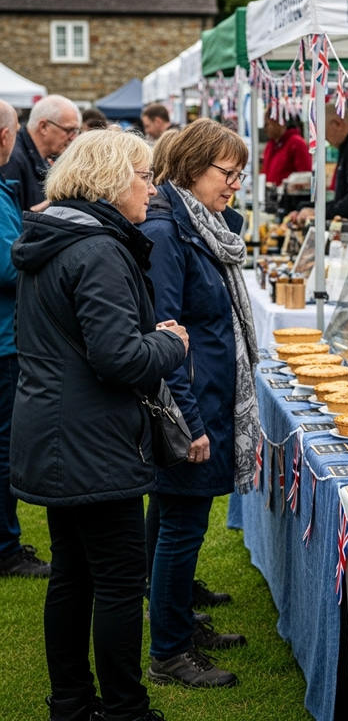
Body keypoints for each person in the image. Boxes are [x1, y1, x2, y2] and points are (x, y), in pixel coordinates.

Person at [10, 129, 189, 721]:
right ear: (113, 179)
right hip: (91, 439)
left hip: (54, 429)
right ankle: (124, 709)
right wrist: (168, 343)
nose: (152, 187)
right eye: (144, 176)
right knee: (114, 578)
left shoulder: (57, 236)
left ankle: (71, 703)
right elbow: (120, 358)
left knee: (73, 573)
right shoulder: (99, 249)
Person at [140, 118, 261, 689]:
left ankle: (176, 621)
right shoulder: (170, 230)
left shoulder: (196, 222)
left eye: (239, 174)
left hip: (205, 391)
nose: (234, 184)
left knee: (171, 517)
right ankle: (170, 652)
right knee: (180, 524)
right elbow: (165, 330)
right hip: (189, 400)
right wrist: (188, 418)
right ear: (191, 165)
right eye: (226, 173)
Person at [0, 99, 50, 579]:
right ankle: (6, 548)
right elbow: (7, 264)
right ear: (6, 137)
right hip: (3, 342)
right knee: (3, 447)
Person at [0, 94, 81, 211]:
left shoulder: (37, 157)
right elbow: (6, 218)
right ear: (43, 127)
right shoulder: (12, 158)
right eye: (69, 130)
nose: (73, 138)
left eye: (76, 131)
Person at [261, 113, 312, 217]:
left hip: (291, 206)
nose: (265, 129)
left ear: (280, 123)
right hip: (271, 202)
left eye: (267, 124)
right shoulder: (270, 145)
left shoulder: (297, 143)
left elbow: (306, 175)